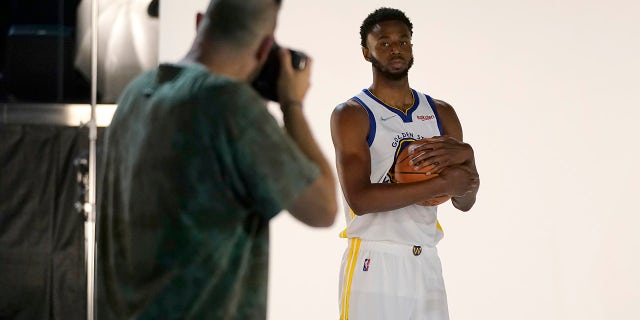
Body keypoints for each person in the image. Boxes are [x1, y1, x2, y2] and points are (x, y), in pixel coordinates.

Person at [96, 0, 337, 318]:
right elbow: (323, 208)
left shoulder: (137, 92)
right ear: (265, 48)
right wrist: (292, 104)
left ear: (199, 22)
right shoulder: (229, 106)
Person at [330, 7, 480, 320]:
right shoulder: (352, 114)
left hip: (426, 261)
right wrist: (441, 184)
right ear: (366, 53)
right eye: (384, 43)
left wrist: (469, 160)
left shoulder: (442, 112)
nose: (395, 49)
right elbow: (360, 198)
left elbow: (464, 201)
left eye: (403, 41)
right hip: (375, 260)